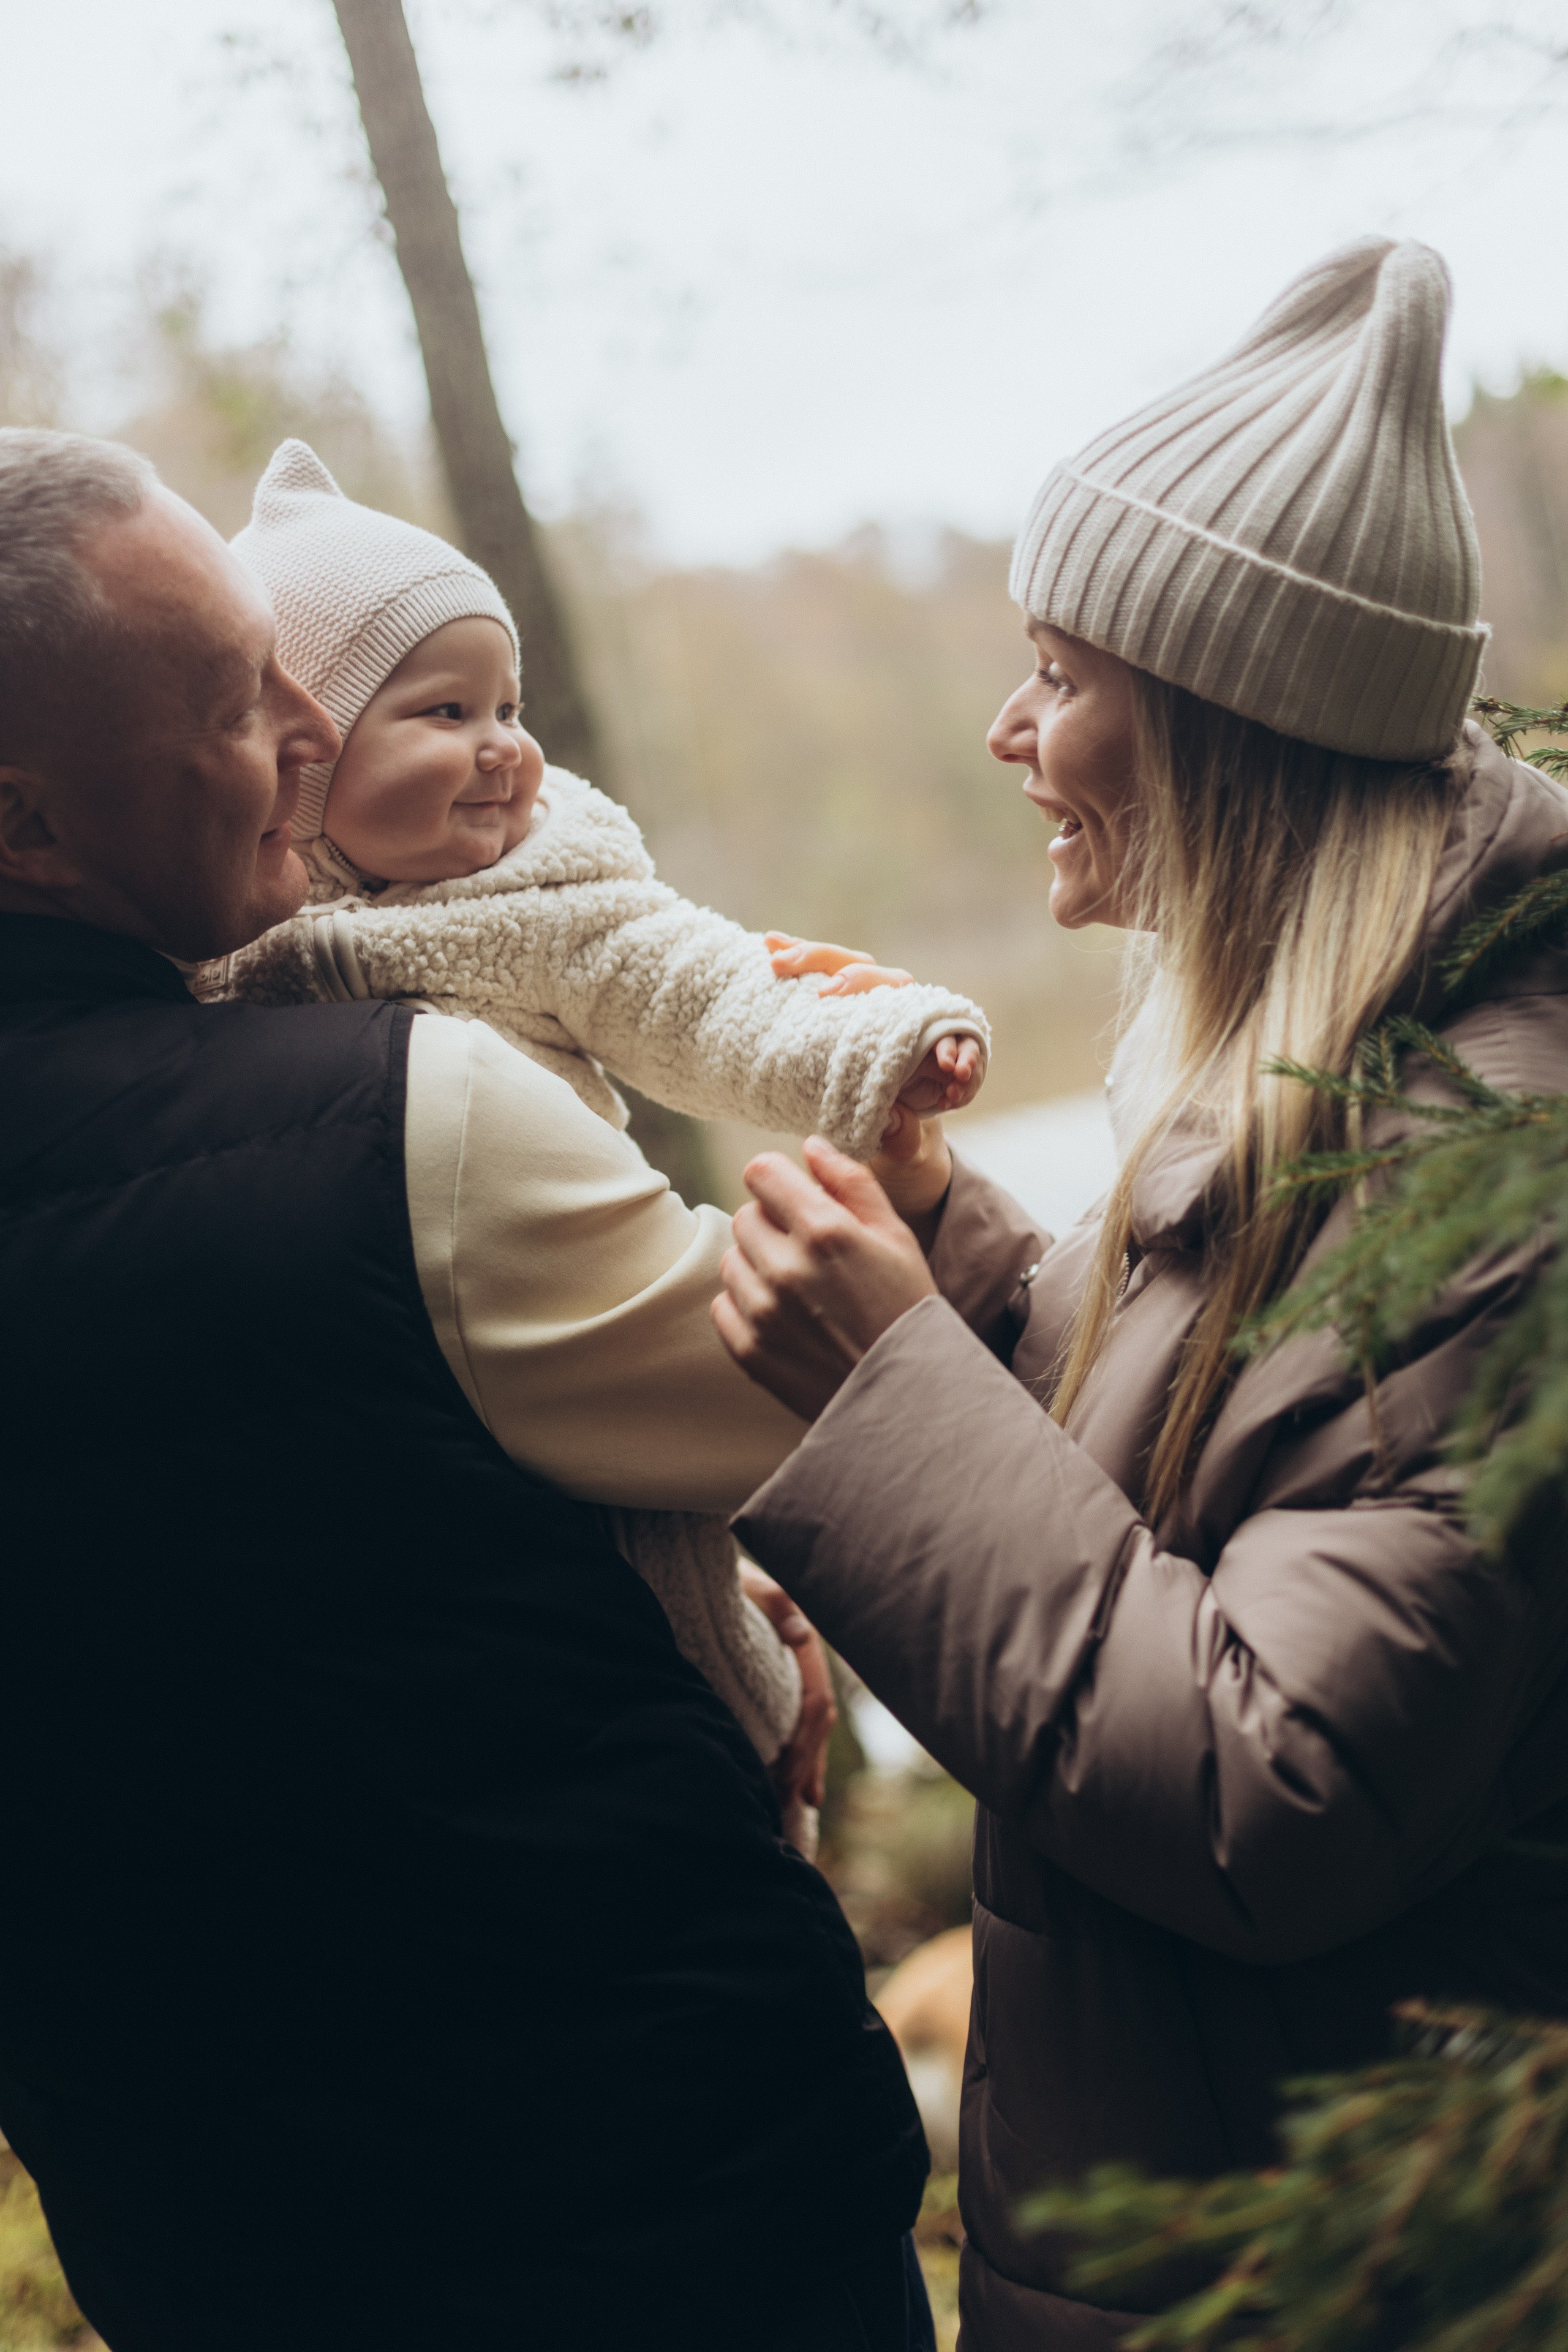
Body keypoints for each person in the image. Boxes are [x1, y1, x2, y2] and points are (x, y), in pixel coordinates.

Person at [713, 237, 1568, 2351]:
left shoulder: (1490, 1170)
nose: (1010, 729)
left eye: (1063, 673)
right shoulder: (1335, 1061)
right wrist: (953, 1248)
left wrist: (891, 1383)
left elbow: (1277, 1789)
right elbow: (1206, 1487)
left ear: (1225, 730)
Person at [0, 427, 935, 2351]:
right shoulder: (397, 1115)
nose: (306, 732)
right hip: (663, 2218)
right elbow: (851, 1411)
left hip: (200, 2245)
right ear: (26, 823)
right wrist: (908, 1200)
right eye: (224, 696)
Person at [212, 435, 987, 1825]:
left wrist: (875, 1050)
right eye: (442, 713)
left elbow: (707, 992)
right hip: (418, 1494)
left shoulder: (556, 902)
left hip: (588, 1390)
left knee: (690, 1632)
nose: (503, 744)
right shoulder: (229, 959)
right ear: (299, 761)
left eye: (508, 704)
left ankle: (758, 1753)